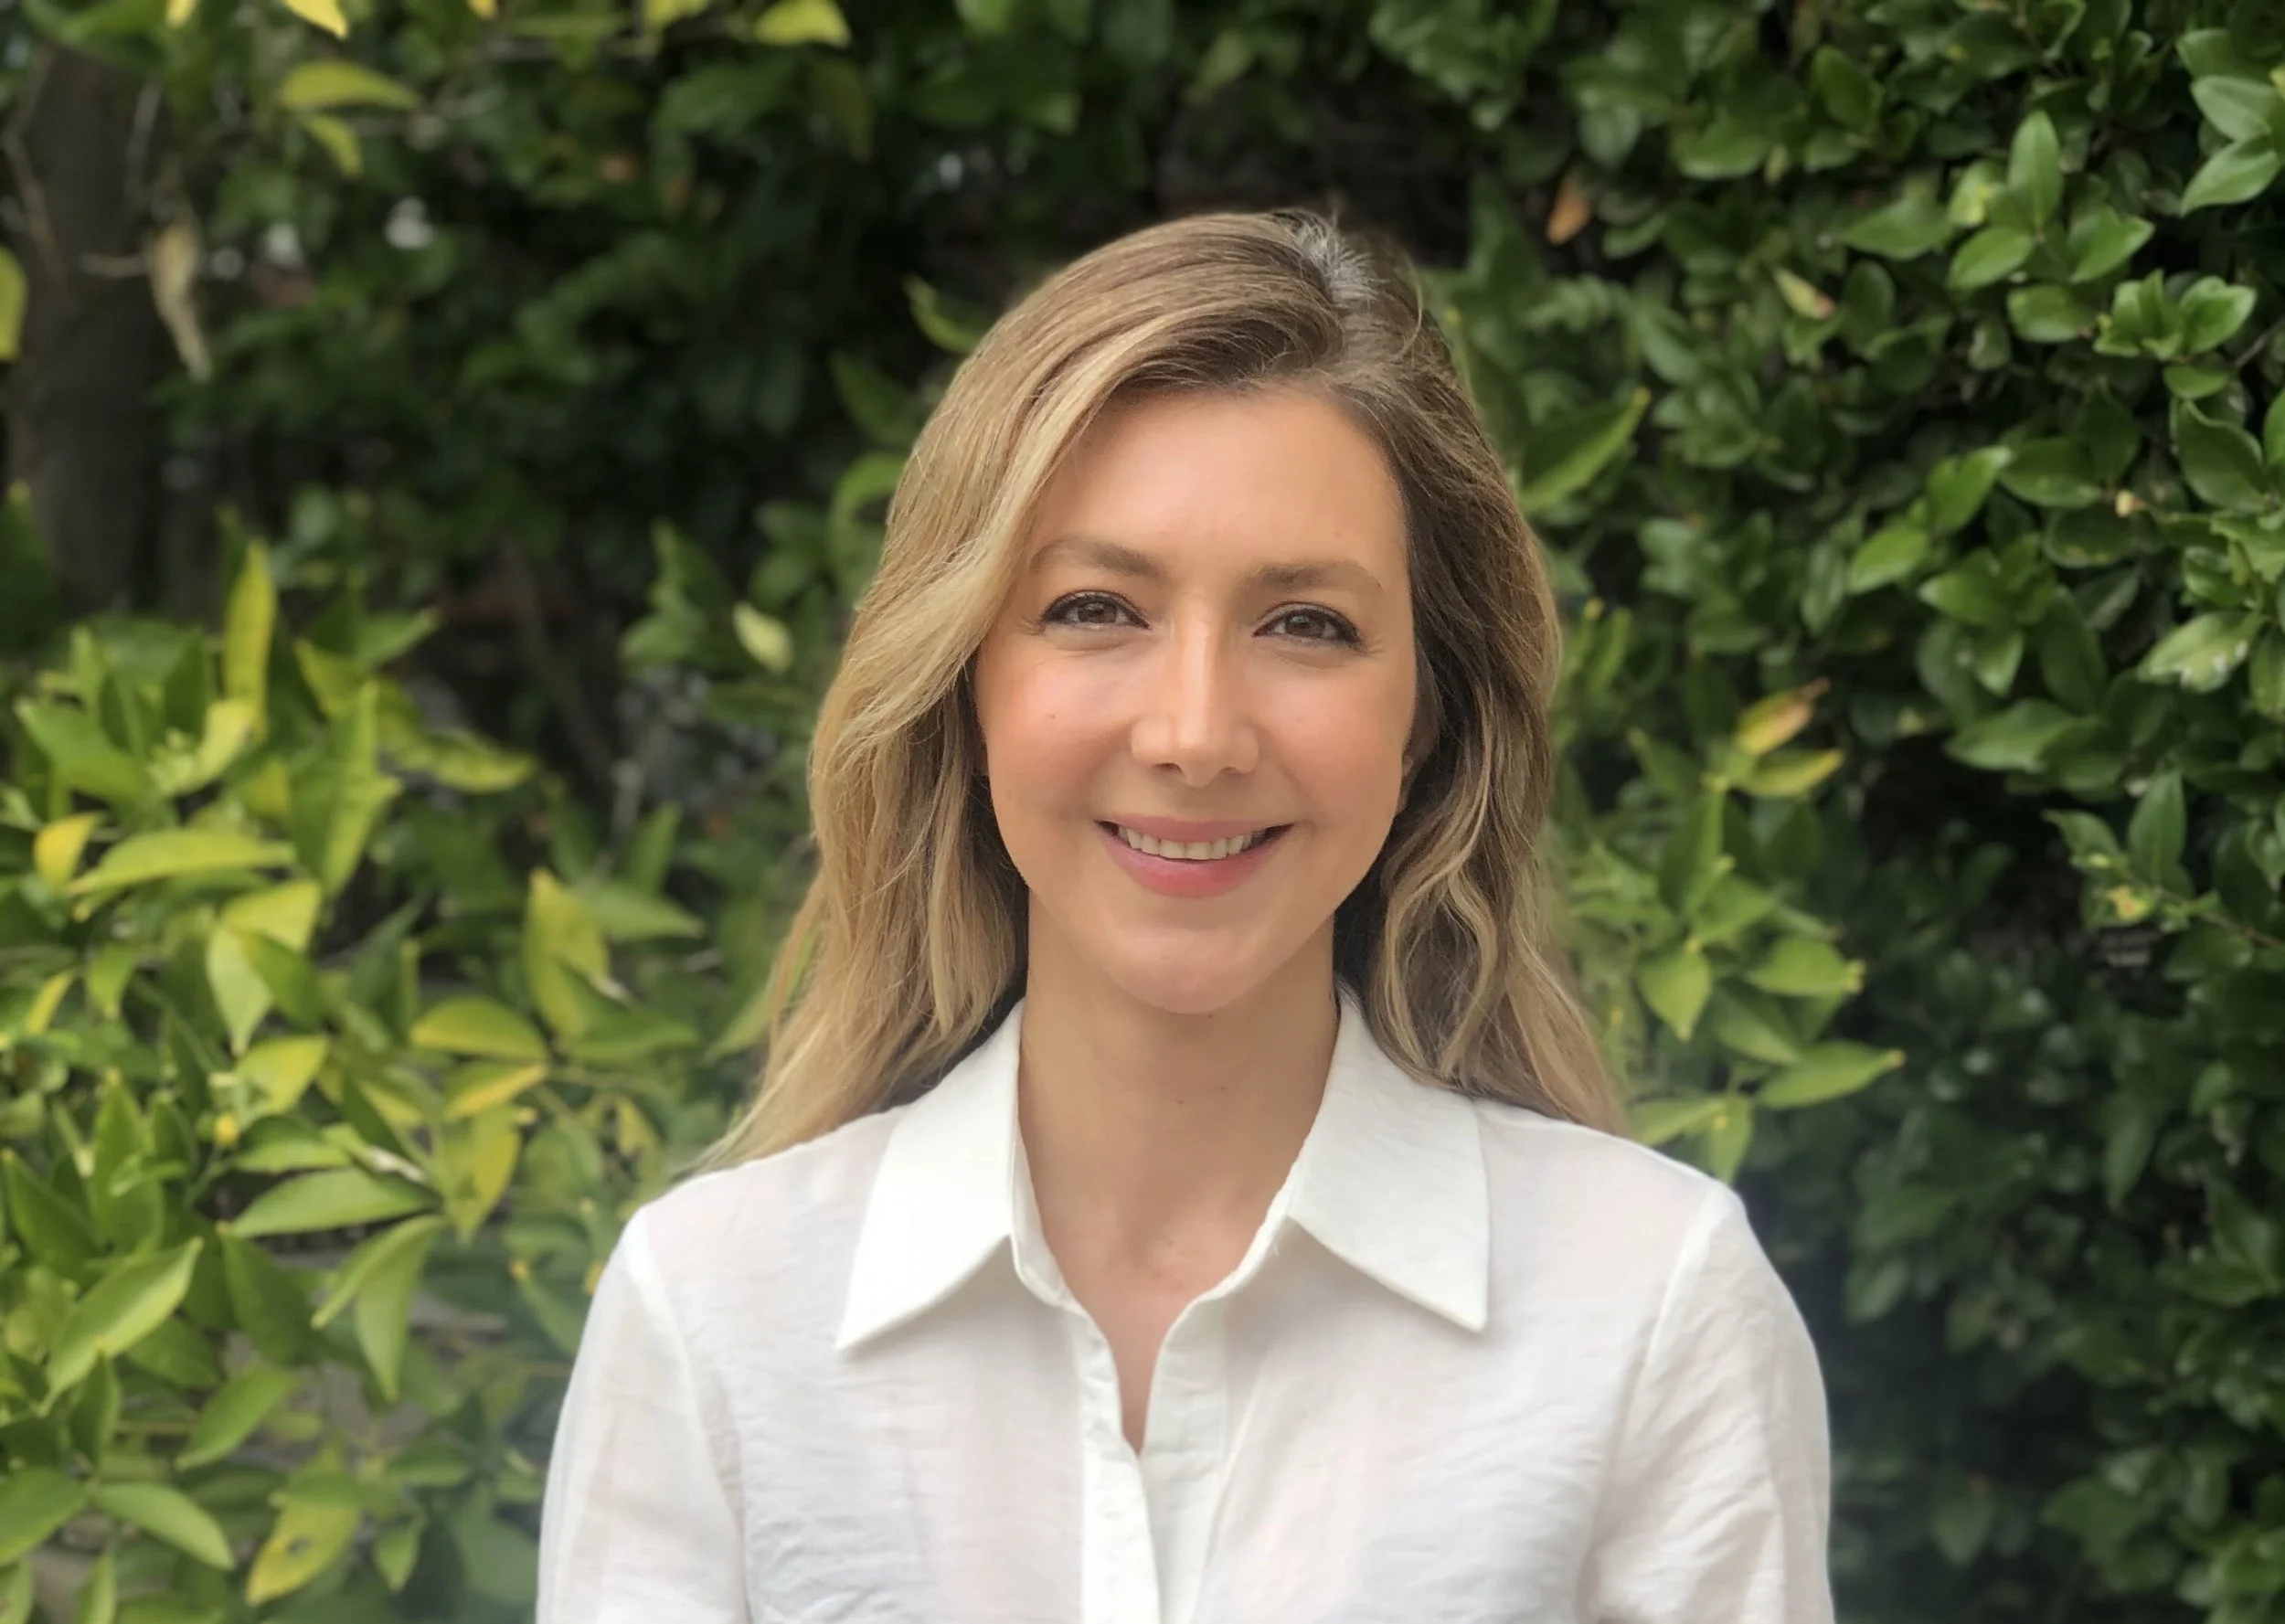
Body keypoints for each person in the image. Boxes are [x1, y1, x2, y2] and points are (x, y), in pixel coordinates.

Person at [533, 207, 1833, 1624]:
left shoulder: (1652, 1308)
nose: (1196, 733)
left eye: (1307, 626)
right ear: (966, 684)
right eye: (1097, 609)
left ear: (1426, 722)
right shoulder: (713, 1318)